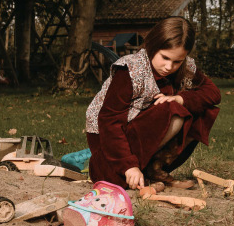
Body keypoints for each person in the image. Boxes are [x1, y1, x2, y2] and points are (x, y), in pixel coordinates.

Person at [85, 17, 220, 190]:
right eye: (164, 57)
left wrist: (182, 99)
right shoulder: (130, 70)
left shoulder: (185, 68)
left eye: (177, 61)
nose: (169, 66)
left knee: (201, 109)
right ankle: (133, 170)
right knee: (173, 110)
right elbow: (109, 121)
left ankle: (154, 169)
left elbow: (213, 93)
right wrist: (128, 165)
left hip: (142, 134)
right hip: (108, 139)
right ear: (153, 46)